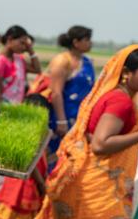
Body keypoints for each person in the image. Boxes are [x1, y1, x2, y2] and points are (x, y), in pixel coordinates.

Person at [31, 45, 138, 219]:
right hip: (98, 192)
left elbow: (95, 138)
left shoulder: (113, 95)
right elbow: (102, 144)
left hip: (87, 186)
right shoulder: (121, 101)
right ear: (126, 73)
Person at [0, 94, 49, 219]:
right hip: (23, 185)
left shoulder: (39, 130)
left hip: (35, 183)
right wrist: (41, 183)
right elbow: (30, 164)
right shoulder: (26, 132)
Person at [31, 25, 94, 169]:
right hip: (62, 117)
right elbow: (56, 92)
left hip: (80, 118)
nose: (90, 43)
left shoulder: (87, 62)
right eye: (87, 39)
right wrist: (61, 121)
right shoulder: (63, 61)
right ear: (76, 42)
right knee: (55, 157)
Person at [0, 25, 41, 103]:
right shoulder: (0, 62)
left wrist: (31, 50)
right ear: (10, 39)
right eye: (22, 43)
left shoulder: (19, 59)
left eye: (26, 45)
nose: (24, 47)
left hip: (17, 107)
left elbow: (37, 70)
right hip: (5, 108)